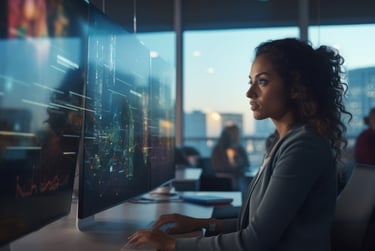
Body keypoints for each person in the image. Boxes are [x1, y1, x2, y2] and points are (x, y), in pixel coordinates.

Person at [126, 38, 352, 251]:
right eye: (251, 82)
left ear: (295, 88)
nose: (250, 92)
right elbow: (256, 225)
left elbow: (253, 241)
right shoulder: (286, 142)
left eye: (262, 82)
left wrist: (173, 245)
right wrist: (204, 223)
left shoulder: (303, 147)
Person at [210, 124, 250, 192]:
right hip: (224, 179)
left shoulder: (240, 149)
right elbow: (217, 167)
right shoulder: (218, 150)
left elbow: (246, 164)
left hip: (238, 177)